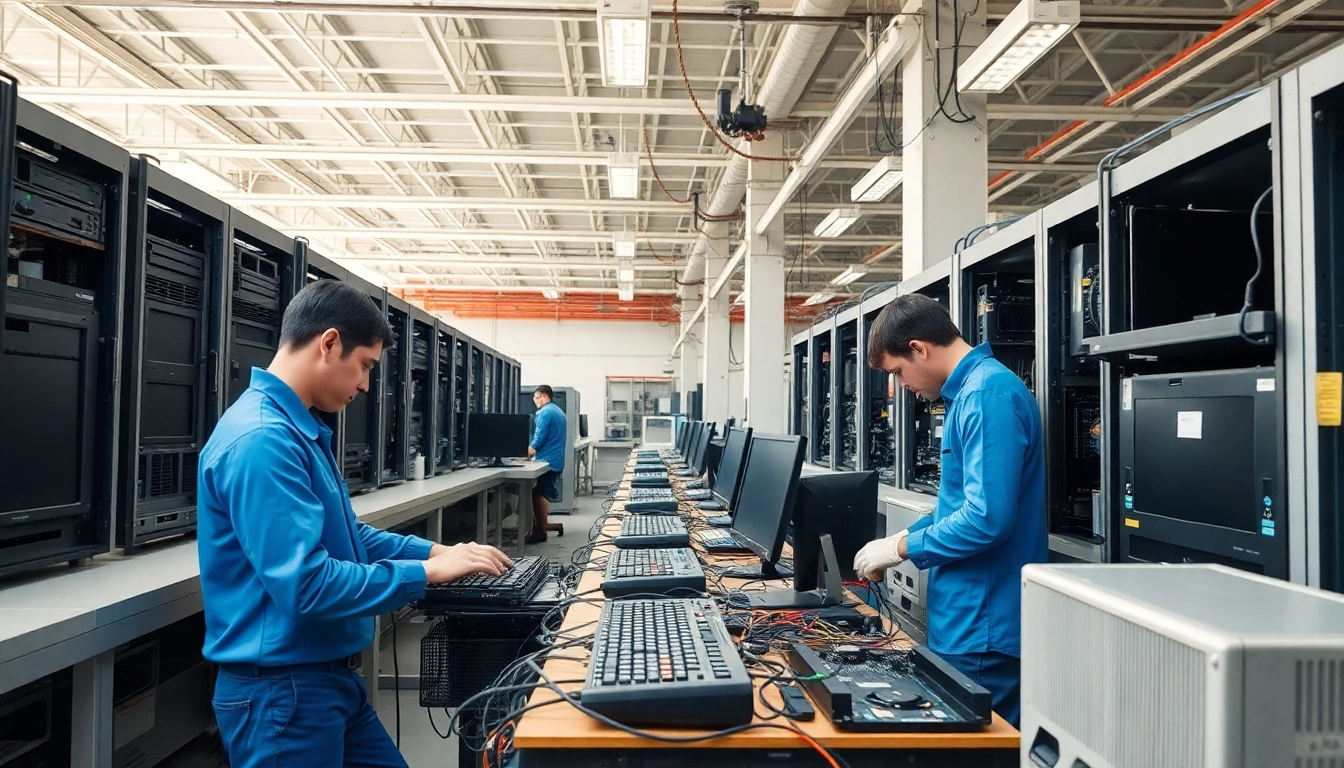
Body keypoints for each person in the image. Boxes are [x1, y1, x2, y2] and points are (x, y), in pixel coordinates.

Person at [197, 280, 513, 767]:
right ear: (329, 343)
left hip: (324, 682)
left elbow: (349, 537)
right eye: (365, 364)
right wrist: (423, 575)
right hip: (283, 696)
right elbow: (306, 586)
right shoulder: (263, 439)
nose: (366, 384)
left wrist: (437, 553)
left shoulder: (297, 429)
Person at [852, 294, 1046, 728]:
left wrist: (901, 547)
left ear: (919, 348)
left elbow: (985, 519)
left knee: (973, 748)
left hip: (983, 627)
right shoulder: (973, 394)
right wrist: (899, 540)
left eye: (898, 372)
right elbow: (957, 507)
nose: (902, 385)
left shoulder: (986, 396)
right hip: (965, 619)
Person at [526, 384, 567, 544]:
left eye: (536, 398)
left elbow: (539, 438)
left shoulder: (544, 412)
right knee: (541, 492)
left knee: (537, 493)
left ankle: (541, 531)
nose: (535, 401)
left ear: (545, 396)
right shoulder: (558, 411)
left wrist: (526, 453)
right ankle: (542, 525)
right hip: (555, 459)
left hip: (547, 461)